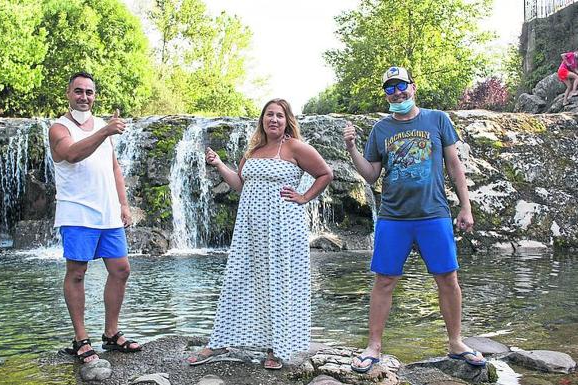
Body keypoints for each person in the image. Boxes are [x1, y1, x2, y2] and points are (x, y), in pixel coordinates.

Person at [343, 67, 486, 373]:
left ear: (413, 87)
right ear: (386, 94)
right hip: (393, 218)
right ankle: (374, 347)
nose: (397, 93)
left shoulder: (437, 119)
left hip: (433, 214)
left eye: (401, 86)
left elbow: (454, 165)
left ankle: (456, 343)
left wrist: (466, 206)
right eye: (390, 89)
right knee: (384, 280)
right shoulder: (380, 130)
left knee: (448, 278)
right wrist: (352, 149)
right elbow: (370, 175)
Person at [187, 98, 333, 369]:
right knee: (238, 281)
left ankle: (276, 349)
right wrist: (220, 165)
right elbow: (241, 185)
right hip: (249, 231)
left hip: (283, 229)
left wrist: (303, 197)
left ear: (287, 120)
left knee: (279, 284)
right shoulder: (254, 150)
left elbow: (325, 173)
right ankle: (220, 341)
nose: (274, 119)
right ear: (262, 119)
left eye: (279, 115)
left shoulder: (294, 147)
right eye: (269, 115)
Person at [49, 71, 141, 364]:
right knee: (77, 273)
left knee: (121, 270)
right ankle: (80, 339)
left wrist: (123, 204)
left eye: (89, 92)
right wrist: (104, 132)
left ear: (94, 96)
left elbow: (113, 167)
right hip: (77, 211)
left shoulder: (102, 125)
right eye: (78, 91)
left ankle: (111, 334)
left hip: (108, 212)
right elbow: (72, 155)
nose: (84, 97)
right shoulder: (59, 128)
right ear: (68, 93)